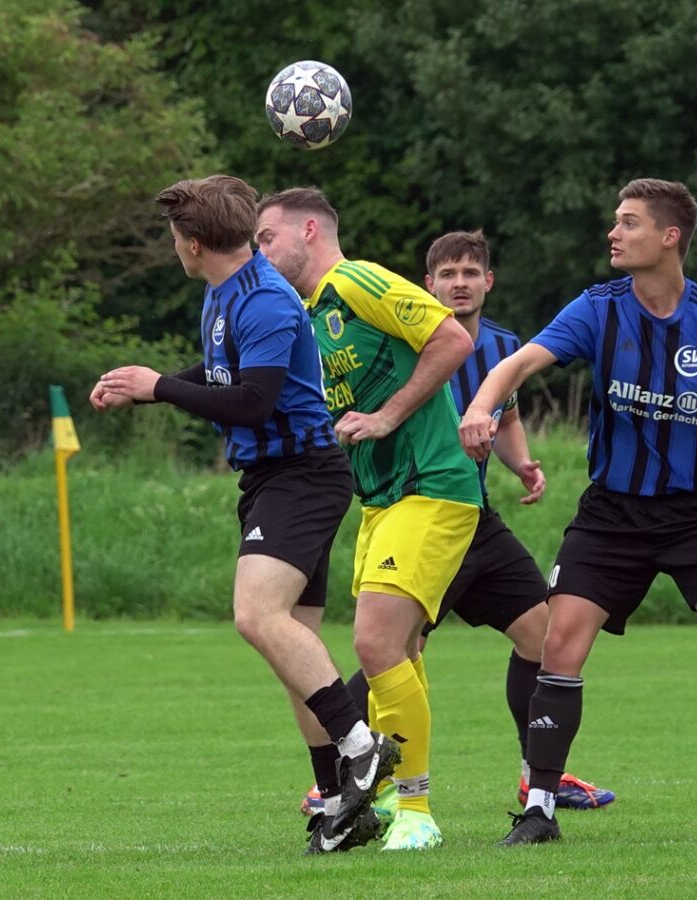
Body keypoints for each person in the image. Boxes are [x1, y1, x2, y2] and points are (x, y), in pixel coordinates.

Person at [459, 178, 697, 846]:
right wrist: (480, 406)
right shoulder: (598, 308)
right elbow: (518, 365)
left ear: (669, 237)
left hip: (696, 514)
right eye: (615, 221)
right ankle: (539, 812)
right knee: (560, 645)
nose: (613, 234)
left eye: (628, 223)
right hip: (610, 517)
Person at [91, 174, 399, 855]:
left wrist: (159, 387)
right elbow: (226, 375)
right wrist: (144, 386)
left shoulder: (262, 299)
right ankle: (339, 804)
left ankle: (361, 747)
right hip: (272, 478)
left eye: (175, 237)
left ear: (193, 243)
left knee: (256, 616)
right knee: (296, 647)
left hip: (302, 476)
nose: (175, 247)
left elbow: (254, 402)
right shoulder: (225, 291)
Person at [303, 230, 614, 817]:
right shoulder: (406, 331)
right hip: (423, 508)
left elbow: (506, 416)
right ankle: (342, 777)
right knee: (390, 647)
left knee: (543, 637)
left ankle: (537, 776)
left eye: (471, 273)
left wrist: (522, 465)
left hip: (476, 518)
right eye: (448, 275)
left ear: (488, 282)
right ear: (429, 286)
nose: (460, 283)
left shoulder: (503, 347)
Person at [254, 188, 483, 851]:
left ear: (308, 230)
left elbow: (453, 338)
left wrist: (387, 416)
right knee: (397, 652)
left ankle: (416, 811)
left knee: (375, 643)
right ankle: (387, 799)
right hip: (382, 500)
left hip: (431, 486)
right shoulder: (308, 313)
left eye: (266, 238)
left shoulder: (357, 281)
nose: (259, 253)